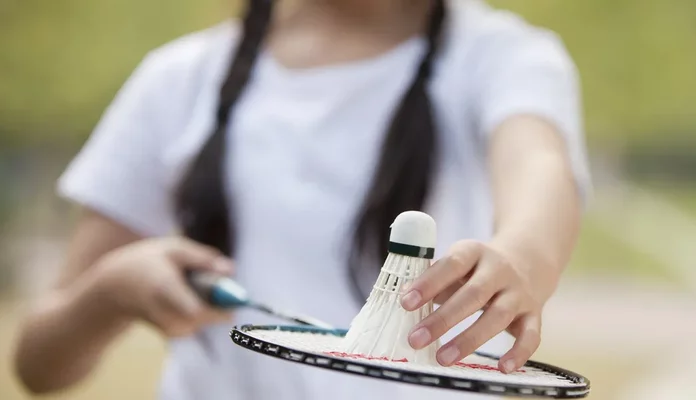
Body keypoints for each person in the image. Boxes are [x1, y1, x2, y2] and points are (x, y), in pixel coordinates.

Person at [13, 0, 591, 399]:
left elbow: (539, 164)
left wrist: (523, 257)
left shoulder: (503, 57)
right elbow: (38, 365)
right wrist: (110, 293)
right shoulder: (177, 79)